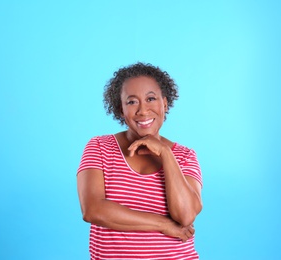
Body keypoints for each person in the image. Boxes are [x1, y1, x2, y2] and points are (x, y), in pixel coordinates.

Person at [77, 62, 203, 259]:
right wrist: (163, 224)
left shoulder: (185, 156)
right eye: (132, 102)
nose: (143, 111)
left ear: (165, 103)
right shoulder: (100, 147)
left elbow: (186, 215)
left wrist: (166, 154)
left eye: (151, 99)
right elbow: (93, 210)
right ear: (121, 109)